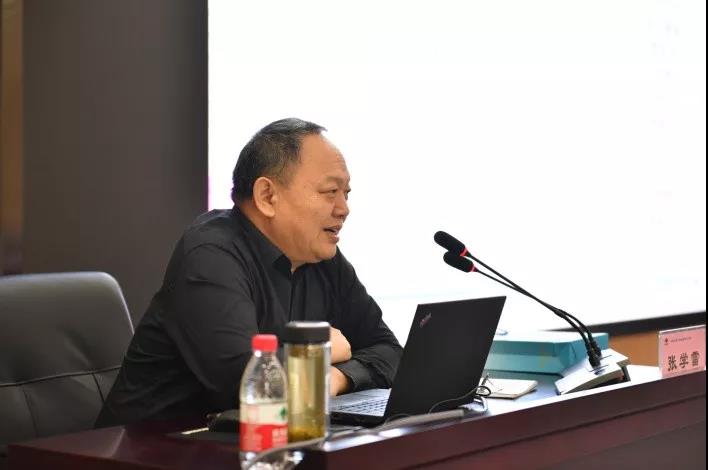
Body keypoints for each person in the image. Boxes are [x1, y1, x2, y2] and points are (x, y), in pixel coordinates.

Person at [96, 118, 402, 426]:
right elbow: (245, 382)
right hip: (152, 445)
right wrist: (320, 351)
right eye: (330, 191)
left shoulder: (321, 257)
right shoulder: (211, 253)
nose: (343, 208)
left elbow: (391, 352)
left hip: (255, 440)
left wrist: (337, 377)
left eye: (346, 193)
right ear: (267, 196)